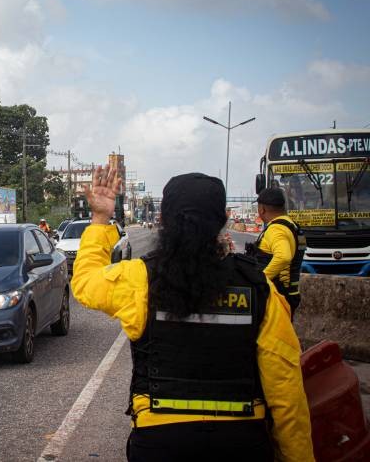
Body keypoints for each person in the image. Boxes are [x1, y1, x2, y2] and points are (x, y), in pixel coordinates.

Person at [71, 165, 313, 462]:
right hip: (241, 442)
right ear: (223, 221)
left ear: (162, 221)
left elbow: (84, 284)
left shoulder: (139, 278)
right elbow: (287, 394)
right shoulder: (260, 289)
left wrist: (99, 220)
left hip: (159, 442)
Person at [250, 187, 305, 318]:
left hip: (277, 295)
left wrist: (261, 279)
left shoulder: (276, 229)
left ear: (261, 209)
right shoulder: (293, 226)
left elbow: (284, 257)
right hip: (289, 293)